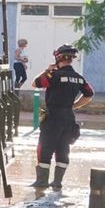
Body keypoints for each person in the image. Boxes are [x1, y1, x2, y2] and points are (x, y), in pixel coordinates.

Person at [32, 44, 94, 191]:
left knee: (45, 148)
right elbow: (89, 94)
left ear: (58, 57)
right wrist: (74, 105)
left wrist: (48, 70)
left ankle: (42, 182)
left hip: (53, 116)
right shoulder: (79, 78)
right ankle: (57, 182)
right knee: (63, 148)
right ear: (71, 59)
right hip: (68, 117)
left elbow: (36, 83)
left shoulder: (53, 75)